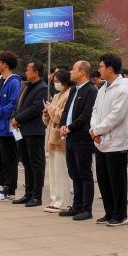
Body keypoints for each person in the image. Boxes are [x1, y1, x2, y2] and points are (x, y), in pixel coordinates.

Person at [90, 54, 128, 226]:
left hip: (116, 142)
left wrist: (98, 130)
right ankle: (109, 213)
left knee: (117, 181)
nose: (99, 69)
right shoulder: (102, 89)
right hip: (100, 141)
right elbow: (95, 111)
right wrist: (93, 130)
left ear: (110, 68)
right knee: (104, 180)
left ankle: (120, 215)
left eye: (101, 66)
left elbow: (116, 117)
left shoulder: (123, 89)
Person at [59, 60, 99, 220]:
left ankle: (86, 209)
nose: (70, 71)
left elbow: (86, 115)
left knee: (84, 174)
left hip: (82, 138)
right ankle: (76, 206)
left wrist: (70, 127)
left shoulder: (91, 90)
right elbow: (66, 111)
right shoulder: (74, 89)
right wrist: (63, 125)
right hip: (70, 137)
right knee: (74, 173)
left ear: (82, 72)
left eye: (73, 69)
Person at [11, 60, 48, 207]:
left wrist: (18, 118)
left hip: (34, 130)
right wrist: (15, 118)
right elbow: (18, 105)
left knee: (36, 163)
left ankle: (37, 196)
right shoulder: (27, 86)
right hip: (22, 129)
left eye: (28, 69)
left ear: (36, 72)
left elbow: (36, 108)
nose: (26, 72)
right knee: (26, 162)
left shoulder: (42, 88)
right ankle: (28, 193)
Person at [0, 53, 21, 201]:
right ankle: (0, 186)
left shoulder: (14, 82)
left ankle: (9, 189)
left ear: (6, 64)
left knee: (8, 160)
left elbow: (13, 104)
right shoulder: (1, 81)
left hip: (7, 128)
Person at [43, 69, 72, 212]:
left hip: (60, 138)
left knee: (61, 171)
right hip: (51, 137)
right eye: (54, 82)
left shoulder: (69, 94)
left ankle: (62, 201)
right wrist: (46, 113)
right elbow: (48, 119)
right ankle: (54, 199)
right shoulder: (56, 96)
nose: (55, 84)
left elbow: (62, 117)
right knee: (53, 172)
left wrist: (51, 109)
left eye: (57, 81)